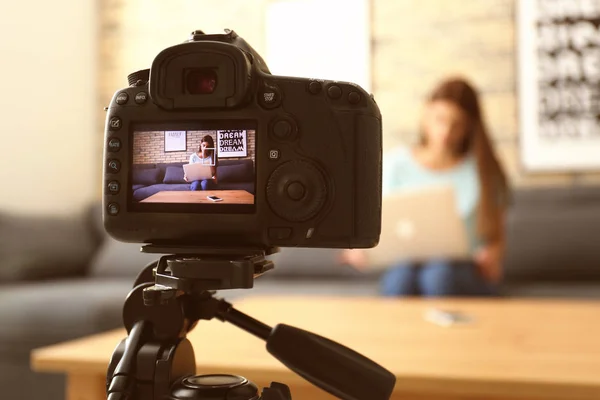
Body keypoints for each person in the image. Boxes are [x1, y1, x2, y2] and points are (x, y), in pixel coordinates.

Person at [340, 77, 510, 297]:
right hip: (407, 265)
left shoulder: (484, 170)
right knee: (401, 278)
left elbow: (496, 240)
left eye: (456, 124)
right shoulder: (394, 166)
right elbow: (374, 222)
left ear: (469, 128)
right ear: (426, 115)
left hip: (464, 272)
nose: (446, 131)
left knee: (439, 274)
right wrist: (360, 248)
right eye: (440, 119)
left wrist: (491, 257)